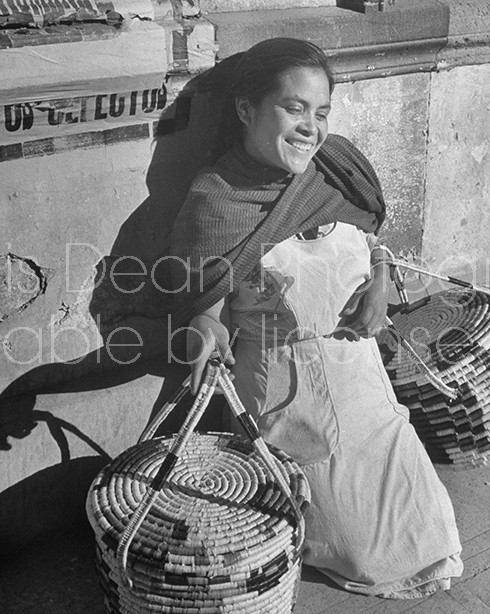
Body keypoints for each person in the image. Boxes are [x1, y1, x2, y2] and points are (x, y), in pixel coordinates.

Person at [168, 38, 463, 598]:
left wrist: (379, 282)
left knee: (427, 533)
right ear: (246, 109)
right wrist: (206, 334)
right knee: (357, 546)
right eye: (294, 108)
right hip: (287, 397)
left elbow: (371, 233)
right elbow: (203, 309)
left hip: (361, 380)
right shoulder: (216, 201)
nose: (311, 127)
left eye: (321, 111)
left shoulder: (334, 169)